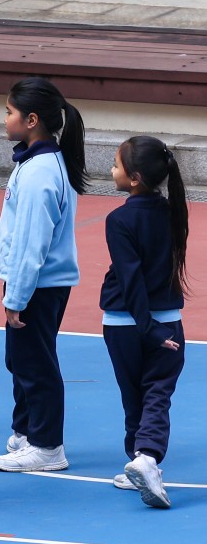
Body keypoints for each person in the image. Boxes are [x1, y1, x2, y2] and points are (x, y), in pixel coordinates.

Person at [0, 76, 87, 473]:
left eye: (10, 112)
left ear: (32, 120)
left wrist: (16, 297)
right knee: (22, 359)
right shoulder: (37, 163)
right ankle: (28, 431)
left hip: (38, 285)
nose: (4, 118)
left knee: (36, 363)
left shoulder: (39, 173)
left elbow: (32, 244)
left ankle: (47, 446)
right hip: (35, 283)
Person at [101, 136, 189, 509]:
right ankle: (146, 457)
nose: (111, 170)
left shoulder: (119, 219)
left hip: (123, 323)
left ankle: (141, 457)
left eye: (116, 165)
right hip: (165, 321)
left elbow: (129, 277)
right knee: (157, 392)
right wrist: (154, 328)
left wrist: (145, 327)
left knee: (134, 393)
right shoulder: (174, 212)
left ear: (134, 177)